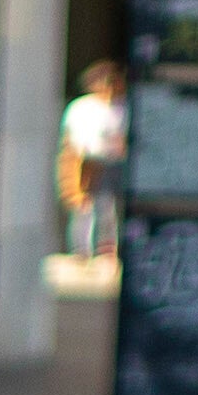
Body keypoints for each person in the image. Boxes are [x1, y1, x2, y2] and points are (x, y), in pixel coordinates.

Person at [57, 62, 126, 261]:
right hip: (85, 161)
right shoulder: (82, 107)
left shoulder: (119, 107)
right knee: (83, 207)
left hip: (111, 162)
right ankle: (81, 250)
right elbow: (71, 138)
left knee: (109, 208)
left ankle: (107, 250)